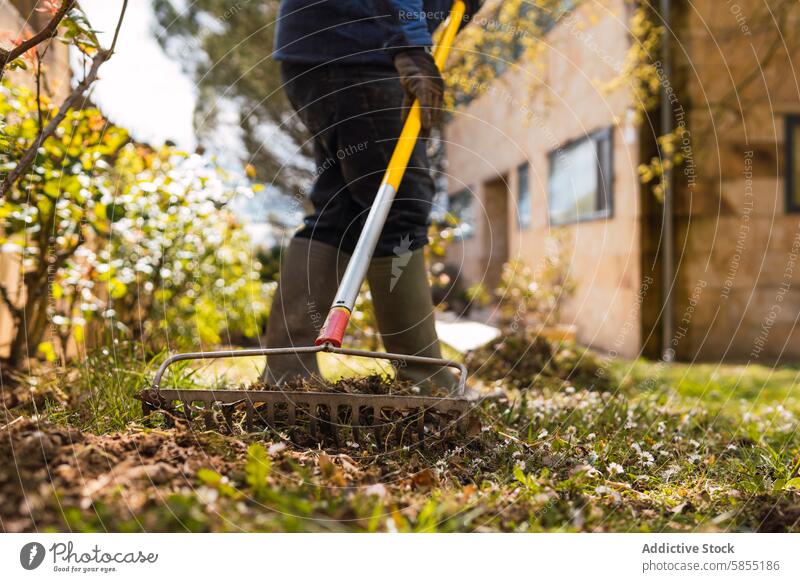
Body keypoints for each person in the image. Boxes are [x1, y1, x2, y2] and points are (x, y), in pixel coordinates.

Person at [265, 0, 482, 388]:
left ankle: (288, 374)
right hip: (356, 48)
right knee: (399, 206)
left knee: (342, 210)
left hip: (331, 49)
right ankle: (424, 381)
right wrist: (412, 48)